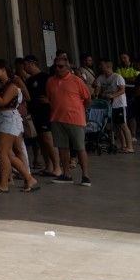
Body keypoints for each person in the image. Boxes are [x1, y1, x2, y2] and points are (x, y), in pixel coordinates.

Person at [0, 59, 39, 192]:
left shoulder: (12, 86)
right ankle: (29, 178)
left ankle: (4, 183)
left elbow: (3, 102)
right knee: (8, 153)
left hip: (9, 119)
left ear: (4, 69)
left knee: (2, 151)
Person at [45, 53, 93, 184]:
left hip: (75, 119)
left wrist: (82, 110)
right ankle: (66, 174)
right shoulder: (50, 81)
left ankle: (85, 176)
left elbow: (88, 98)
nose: (57, 69)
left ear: (67, 67)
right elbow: (50, 98)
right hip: (57, 118)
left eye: (60, 66)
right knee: (62, 147)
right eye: (55, 66)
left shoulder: (76, 80)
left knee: (79, 147)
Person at [95, 59, 131, 156]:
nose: (101, 69)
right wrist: (97, 94)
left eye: (102, 67)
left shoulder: (117, 77)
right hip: (108, 105)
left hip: (119, 104)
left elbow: (122, 90)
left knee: (123, 124)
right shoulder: (101, 78)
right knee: (117, 126)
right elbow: (98, 88)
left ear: (108, 67)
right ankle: (123, 145)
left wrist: (113, 95)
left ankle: (130, 146)